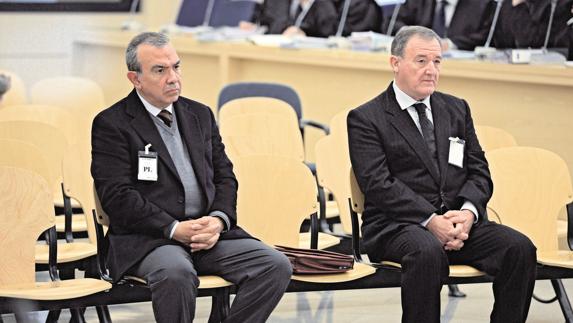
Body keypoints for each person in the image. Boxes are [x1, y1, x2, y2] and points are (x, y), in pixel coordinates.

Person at [91, 32, 292, 323]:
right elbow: (117, 196)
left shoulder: (200, 114)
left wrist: (219, 220)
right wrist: (173, 228)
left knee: (274, 265)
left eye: (176, 66)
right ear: (135, 78)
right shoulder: (112, 123)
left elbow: (225, 176)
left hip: (207, 235)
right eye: (160, 70)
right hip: (150, 240)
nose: (173, 77)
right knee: (176, 273)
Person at [347, 26, 537, 323]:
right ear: (395, 63)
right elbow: (378, 183)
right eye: (421, 61)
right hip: (397, 225)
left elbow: (479, 171)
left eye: (437, 61)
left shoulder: (456, 109)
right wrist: (430, 220)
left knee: (519, 248)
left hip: (457, 223)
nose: (431, 70)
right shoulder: (366, 118)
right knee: (426, 252)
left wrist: (468, 213)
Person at [390, 0, 496, 51]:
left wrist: (451, 44)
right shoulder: (419, 2)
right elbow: (392, 23)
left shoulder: (482, 4)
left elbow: (484, 36)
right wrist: (411, 35)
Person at [493, 0, 573, 49]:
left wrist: (517, 6)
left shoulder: (559, 5)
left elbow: (529, 41)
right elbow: (499, 41)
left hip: (553, 67)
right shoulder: (504, 4)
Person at [257, 0, 338, 37]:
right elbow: (269, 23)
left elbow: (328, 31)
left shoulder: (325, 5)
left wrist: (304, 32)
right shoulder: (276, 2)